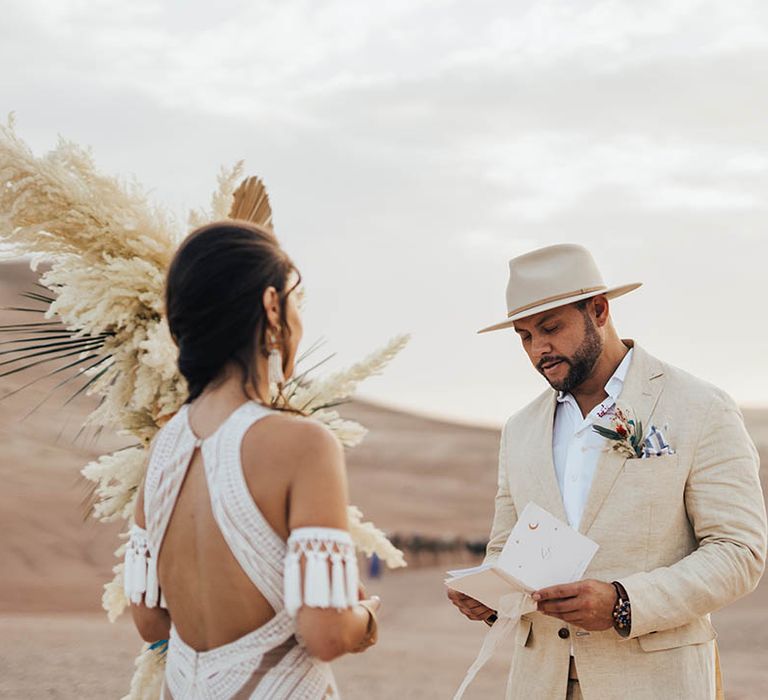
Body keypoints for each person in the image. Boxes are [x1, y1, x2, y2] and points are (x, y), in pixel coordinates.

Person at [447, 243, 766, 699]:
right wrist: (489, 597)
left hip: (654, 682)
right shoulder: (519, 430)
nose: (540, 349)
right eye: (524, 336)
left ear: (598, 310)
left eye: (551, 328)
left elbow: (739, 553)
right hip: (539, 683)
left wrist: (623, 602)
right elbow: (506, 549)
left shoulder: (699, 406)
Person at [123, 221, 380, 699]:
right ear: (270, 306)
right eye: (295, 301)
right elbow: (325, 634)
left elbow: (149, 619)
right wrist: (364, 620)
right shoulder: (302, 443)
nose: (299, 318)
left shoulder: (162, 447)